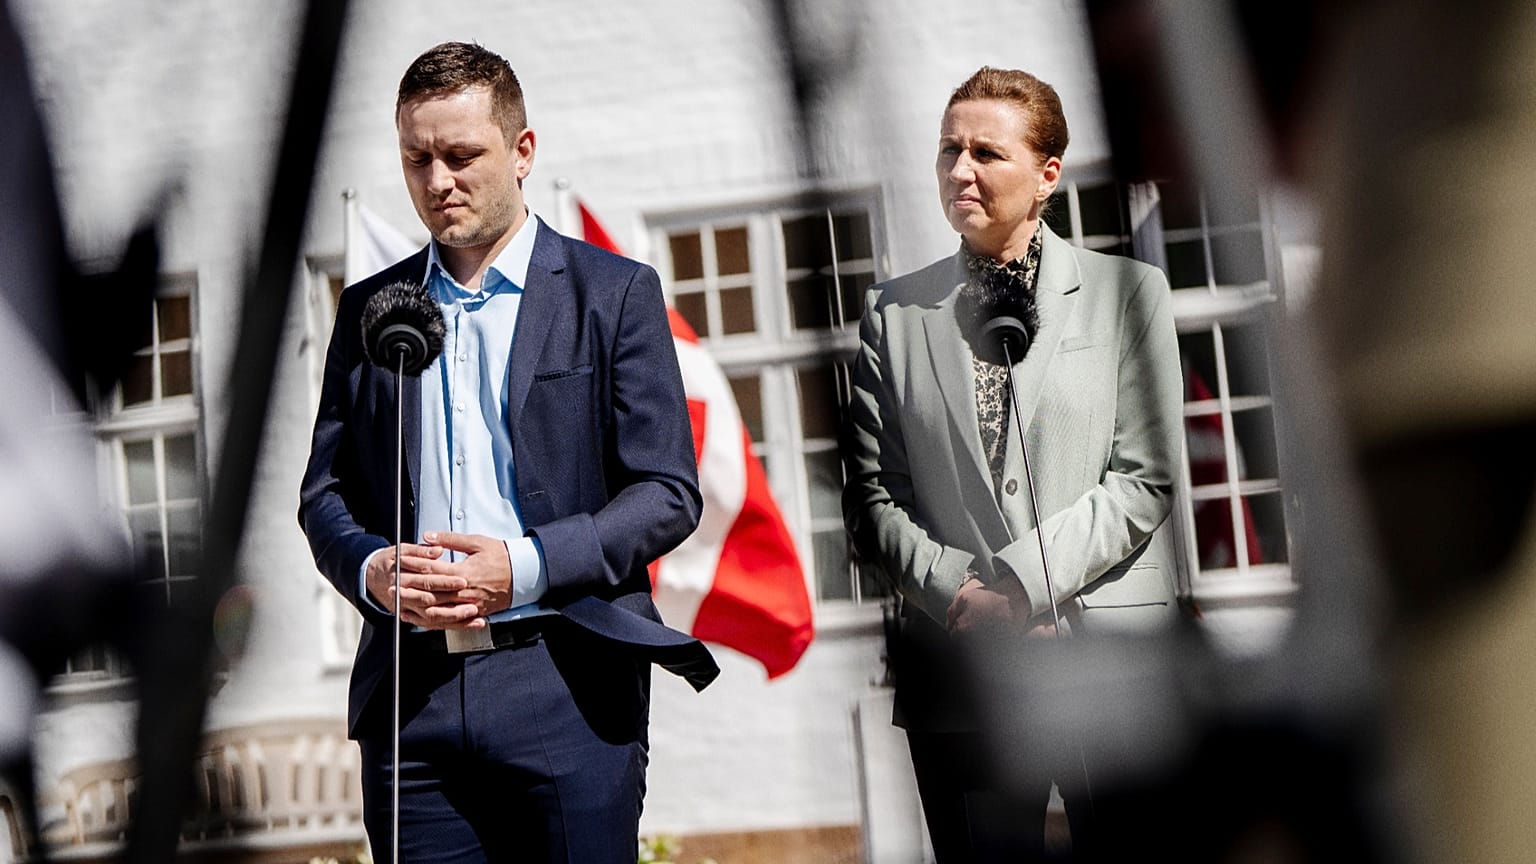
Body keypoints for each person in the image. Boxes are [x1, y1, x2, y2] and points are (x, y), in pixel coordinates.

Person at [298, 41, 715, 863]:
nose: (437, 180)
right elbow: (324, 497)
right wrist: (372, 571)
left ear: (523, 152)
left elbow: (667, 491)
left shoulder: (614, 293)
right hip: (408, 700)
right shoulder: (368, 312)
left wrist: (519, 568)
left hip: (566, 679)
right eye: (417, 159)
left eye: (461, 156)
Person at [842, 67, 1183, 861]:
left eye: (986, 153)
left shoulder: (1130, 294)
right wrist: (960, 593)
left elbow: (1144, 477)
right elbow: (871, 498)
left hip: (1107, 659)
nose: (960, 171)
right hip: (959, 680)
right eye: (948, 151)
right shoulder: (892, 315)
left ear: (1047, 176)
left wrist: (1021, 587)